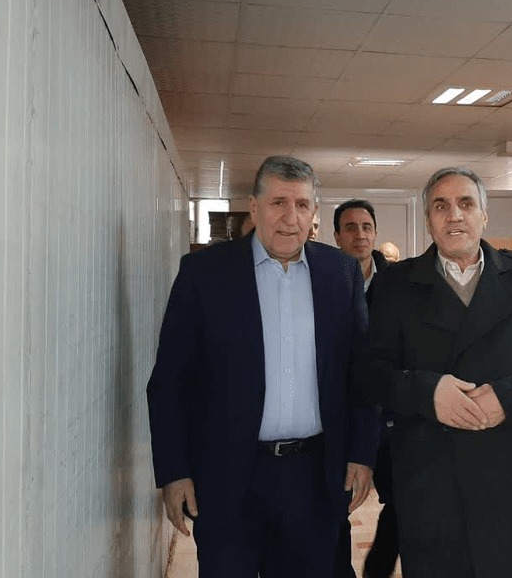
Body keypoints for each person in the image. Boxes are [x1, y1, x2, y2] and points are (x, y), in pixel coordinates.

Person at [146, 155, 379, 578]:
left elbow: (361, 376)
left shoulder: (340, 274)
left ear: (314, 212)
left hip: (314, 479)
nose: (291, 218)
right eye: (278, 203)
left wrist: (362, 454)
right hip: (227, 476)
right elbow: (169, 382)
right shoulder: (204, 274)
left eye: (302, 205)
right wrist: (174, 471)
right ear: (254, 207)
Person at [362, 167, 512, 578]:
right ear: (428, 220)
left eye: (466, 203)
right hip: (431, 476)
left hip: (510, 473)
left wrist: (511, 397)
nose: (454, 215)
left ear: (484, 215)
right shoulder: (395, 285)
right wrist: (428, 393)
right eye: (441, 206)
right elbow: (372, 372)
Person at [330, 200, 396, 578]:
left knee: (402, 501)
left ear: (375, 233)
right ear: (337, 236)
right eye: (350, 228)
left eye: (366, 227)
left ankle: (376, 570)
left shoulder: (398, 285)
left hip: (390, 418)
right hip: (343, 416)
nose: (360, 235)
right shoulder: (324, 284)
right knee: (336, 508)